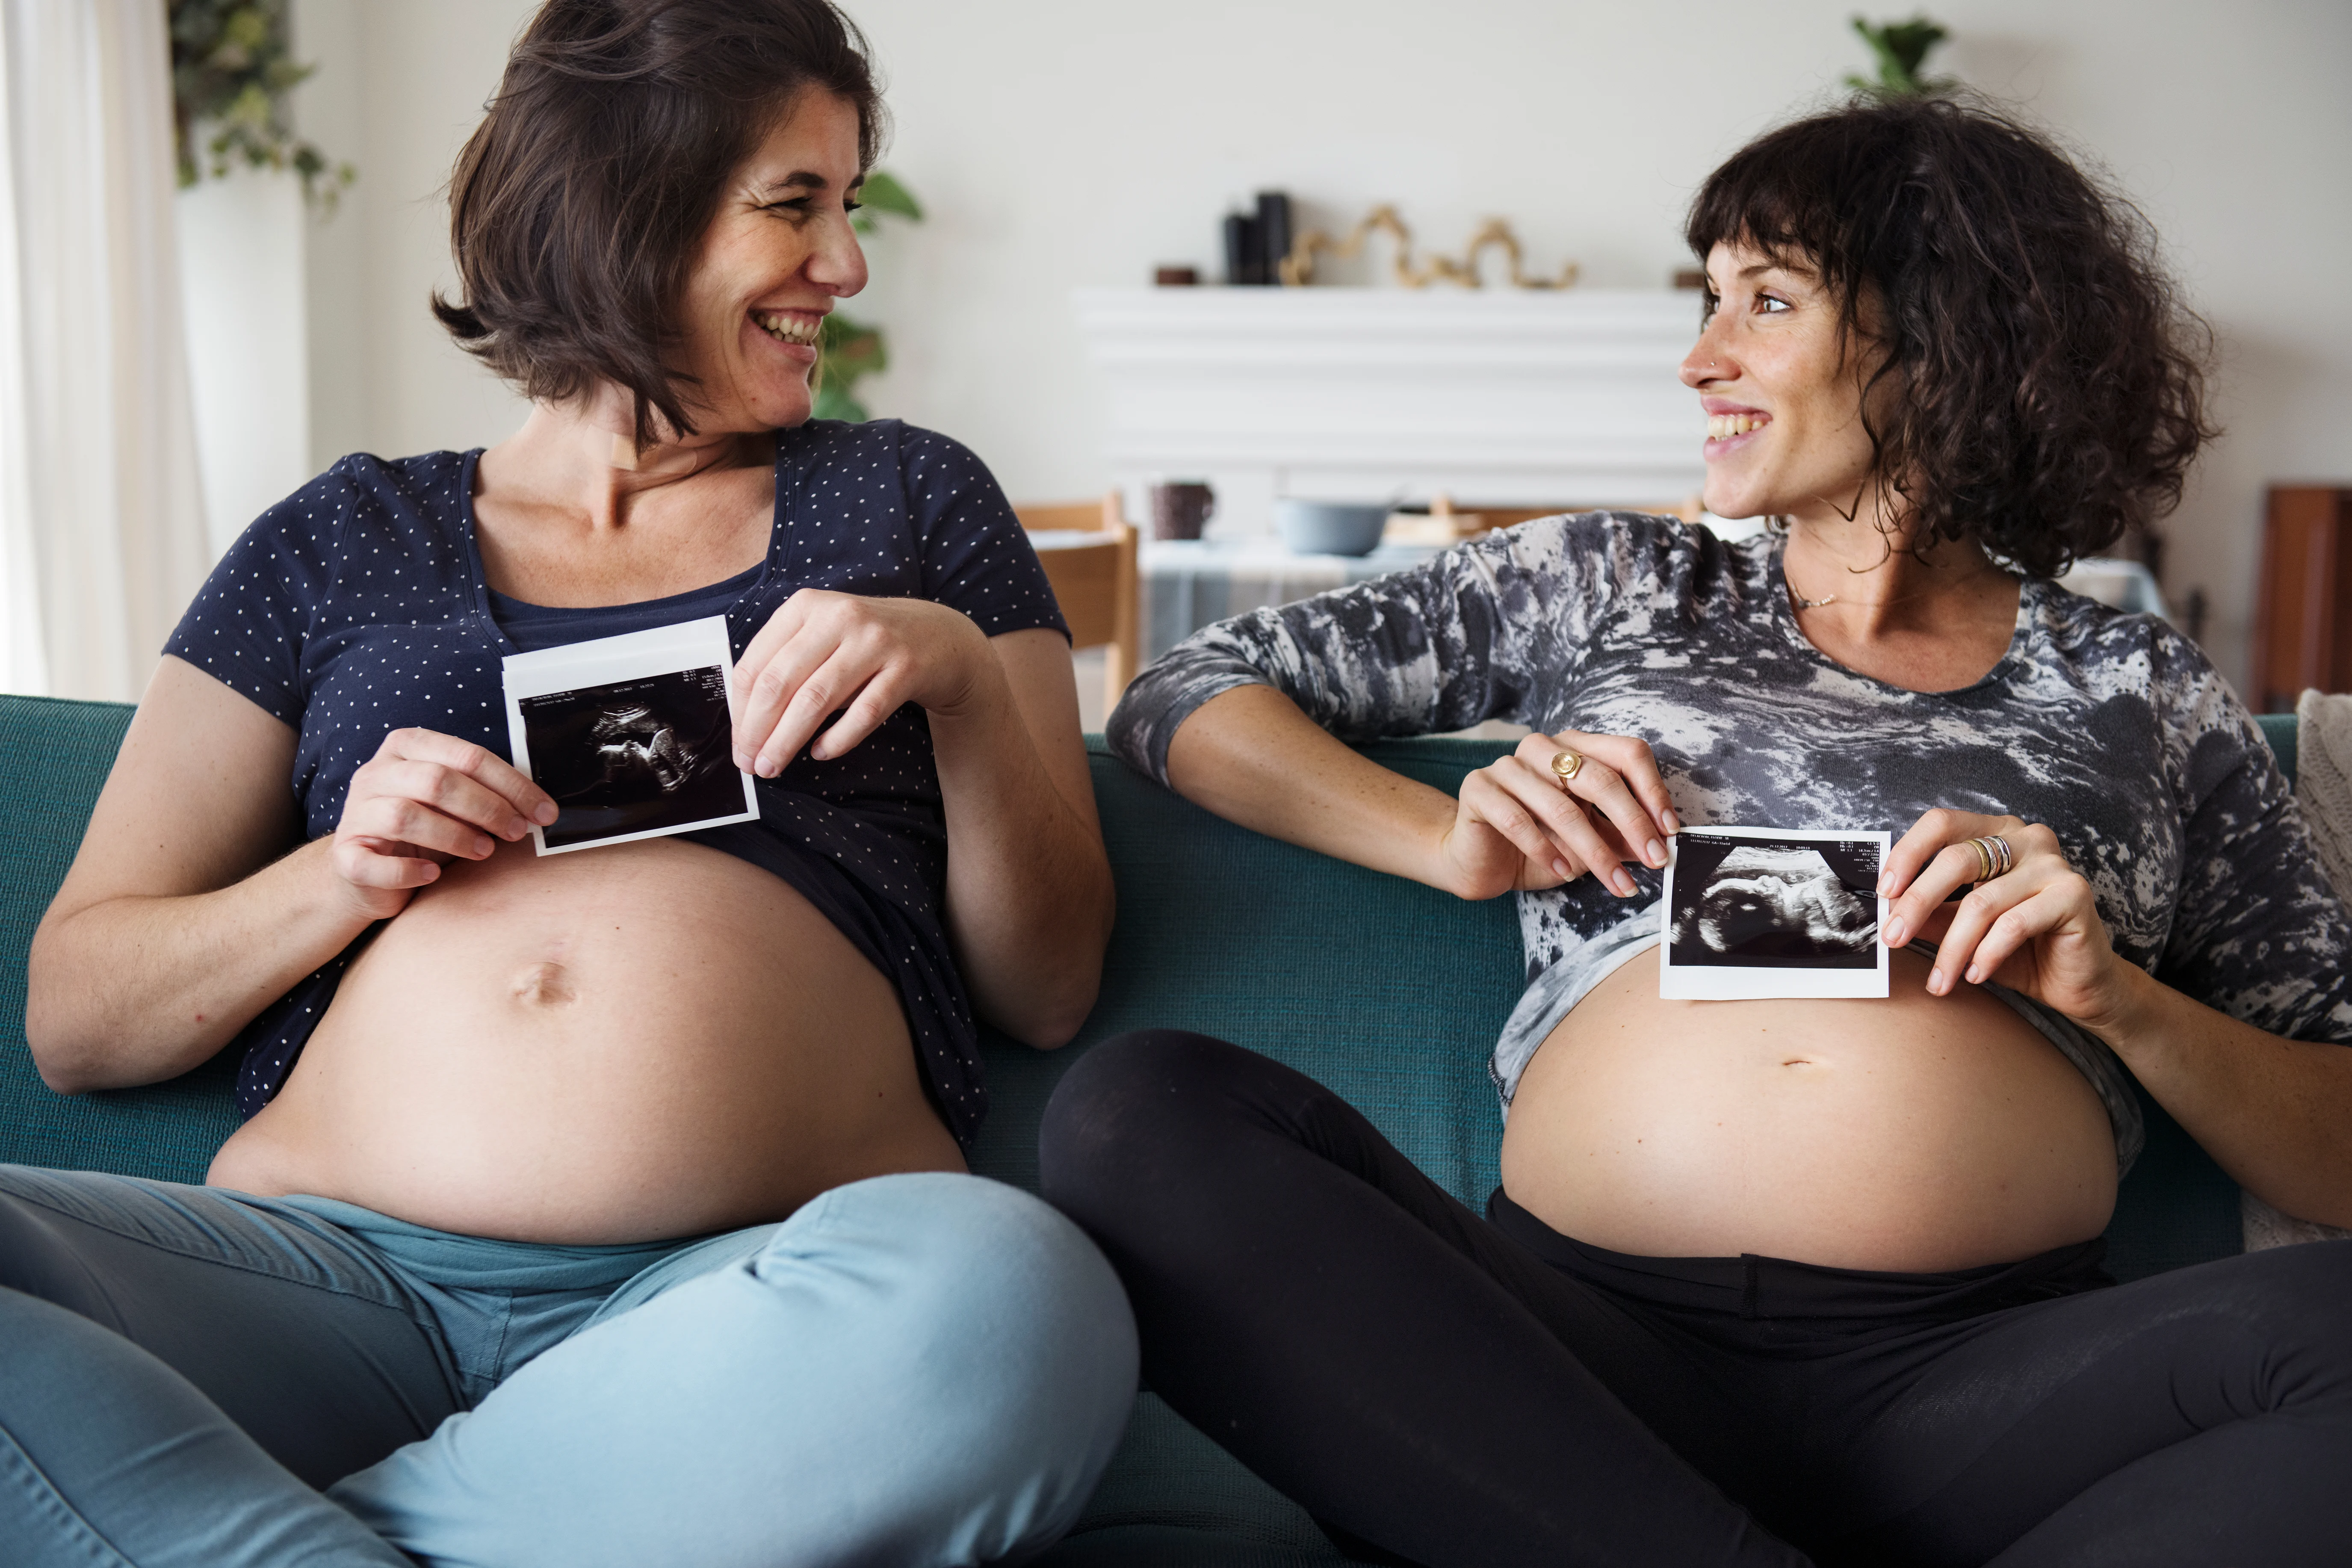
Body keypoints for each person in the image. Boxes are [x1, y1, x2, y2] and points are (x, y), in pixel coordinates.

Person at [1040, 95, 2352, 1568]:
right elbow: (1182, 690)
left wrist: (2124, 1001)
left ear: (1947, 338)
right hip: (1562, 1368)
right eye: (1706, 299)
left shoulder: (2140, 686)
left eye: (1765, 302)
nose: (1698, 358)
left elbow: (2338, 1148)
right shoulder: (1615, 584)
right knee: (1136, 1117)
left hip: (1971, 1386)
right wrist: (1439, 837)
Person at [12, 3, 1136, 1564]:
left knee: (1018, 1298)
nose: (847, 267)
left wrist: (951, 680)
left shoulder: (912, 502)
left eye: (849, 207)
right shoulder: (335, 541)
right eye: (794, 206)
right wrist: (336, 873)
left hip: (762, 1296)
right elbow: (76, 1017)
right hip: (325, 1286)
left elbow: (1053, 987)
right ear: (631, 203)